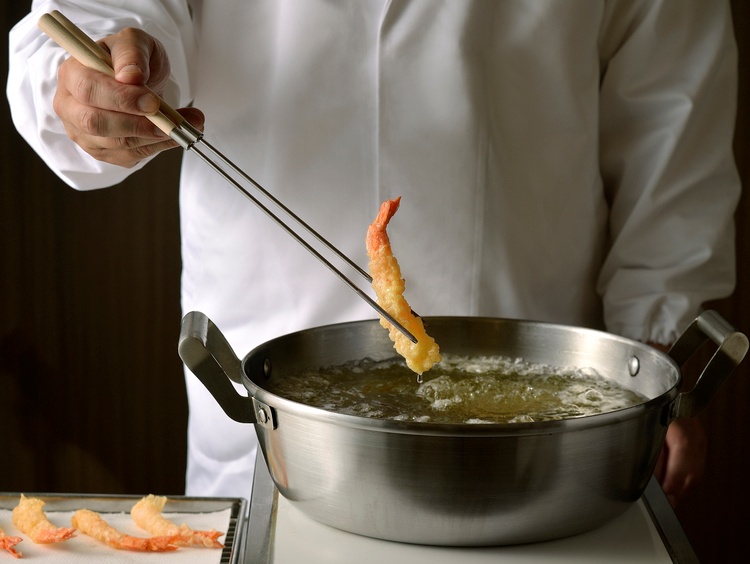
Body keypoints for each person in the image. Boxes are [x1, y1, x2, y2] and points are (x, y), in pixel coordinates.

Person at [8, 1, 739, 506]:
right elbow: (91, 21)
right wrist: (95, 81)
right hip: (264, 375)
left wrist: (654, 349)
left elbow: (674, 106)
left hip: (550, 382)